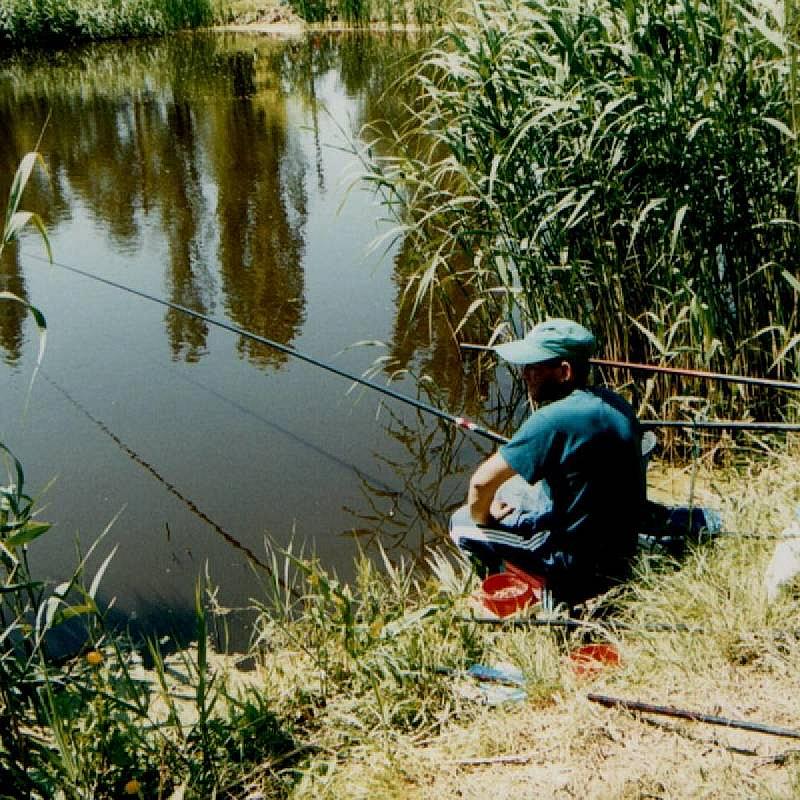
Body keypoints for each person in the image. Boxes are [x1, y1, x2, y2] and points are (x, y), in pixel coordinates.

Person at [449, 318, 647, 608]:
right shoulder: (615, 402)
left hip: (575, 563)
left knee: (461, 522)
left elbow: (480, 483)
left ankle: (520, 582)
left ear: (564, 371)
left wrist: (487, 518)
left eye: (533, 368)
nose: (524, 375)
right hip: (622, 544)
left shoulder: (550, 420)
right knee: (515, 487)